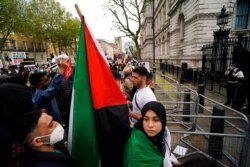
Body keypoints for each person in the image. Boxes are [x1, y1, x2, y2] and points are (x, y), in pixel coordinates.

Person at [9, 111, 75, 167]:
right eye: (51, 125)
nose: (57, 124)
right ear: (37, 141)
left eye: (53, 120)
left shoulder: (53, 143)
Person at [124, 101, 179, 167]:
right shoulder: (135, 145)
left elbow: (166, 152)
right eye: (146, 119)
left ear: (163, 121)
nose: (150, 125)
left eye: (156, 120)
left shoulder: (164, 133)